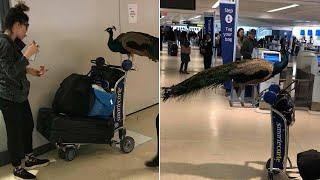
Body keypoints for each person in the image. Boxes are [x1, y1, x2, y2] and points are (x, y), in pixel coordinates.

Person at [0, 3, 49, 180]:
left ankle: (29, 159)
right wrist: (27, 55)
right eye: (25, 27)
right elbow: (11, 72)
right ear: (16, 26)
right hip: (8, 97)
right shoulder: (3, 44)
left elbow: (17, 66)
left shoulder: (13, 42)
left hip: (20, 94)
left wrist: (32, 71)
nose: (26, 32)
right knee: (14, 133)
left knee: (27, 126)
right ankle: (17, 168)